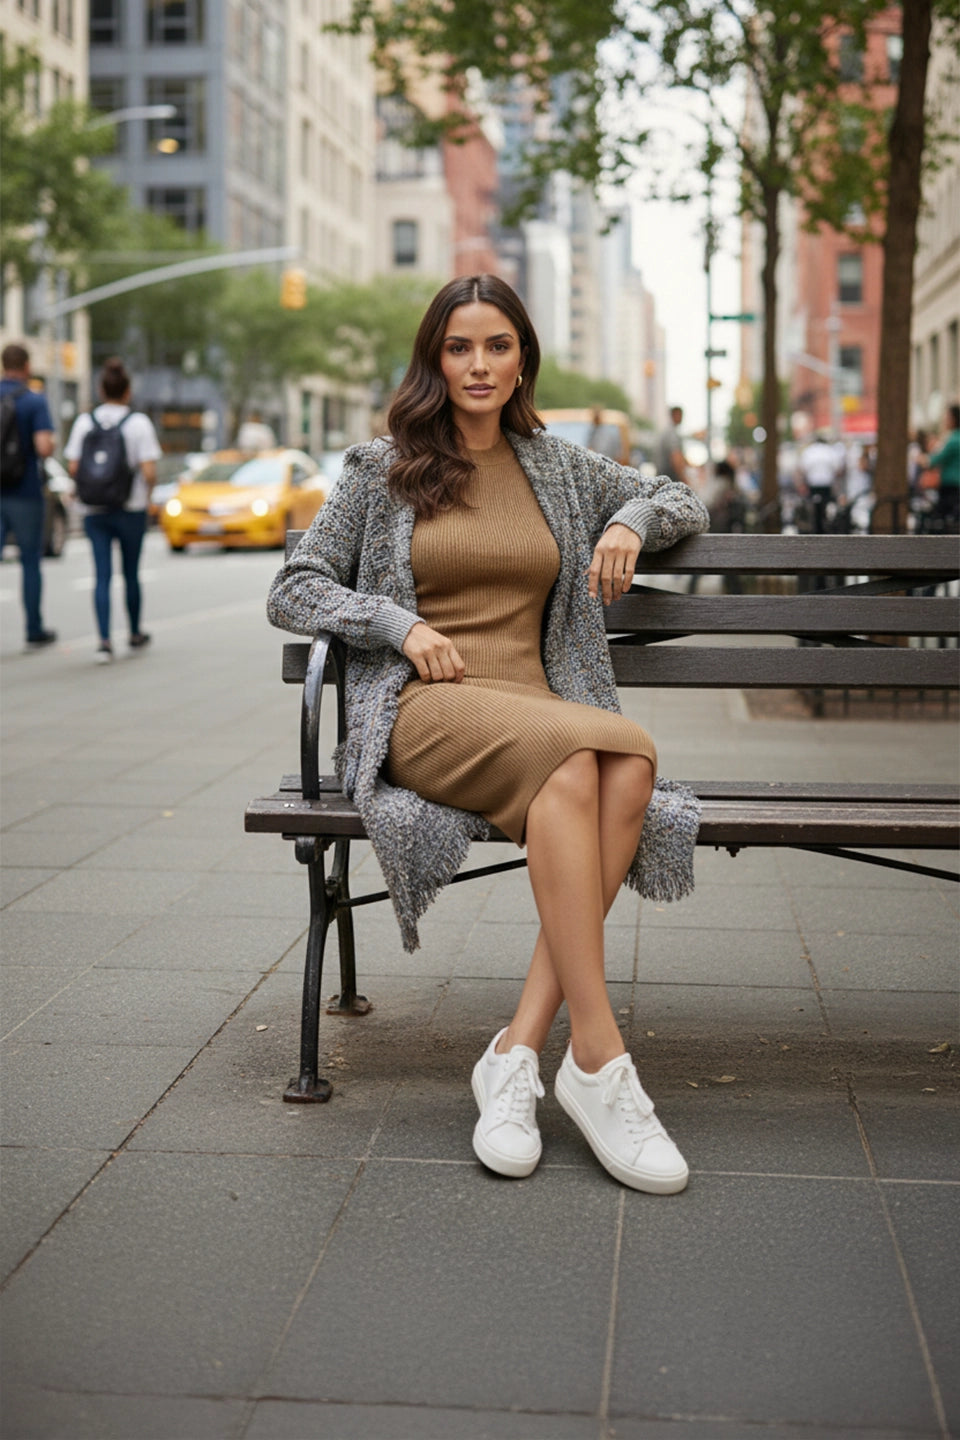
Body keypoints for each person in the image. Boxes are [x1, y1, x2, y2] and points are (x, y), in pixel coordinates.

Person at [267, 275, 710, 1194]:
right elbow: (294, 586)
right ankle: (600, 1061)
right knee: (590, 759)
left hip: (539, 705)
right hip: (427, 706)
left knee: (624, 766)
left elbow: (679, 497)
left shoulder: (559, 466)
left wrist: (629, 519)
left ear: (521, 360)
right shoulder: (381, 467)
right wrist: (397, 624)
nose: (478, 364)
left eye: (497, 346)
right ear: (435, 359)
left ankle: (517, 1054)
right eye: (459, 347)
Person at [64, 358, 162, 662]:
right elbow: (149, 471)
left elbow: (74, 466)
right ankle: (134, 632)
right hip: (130, 507)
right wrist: (148, 496)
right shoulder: (138, 423)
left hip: (94, 510)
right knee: (131, 574)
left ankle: (104, 641)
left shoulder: (84, 422)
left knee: (102, 575)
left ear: (101, 389)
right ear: (128, 391)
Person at [0, 342, 57, 649]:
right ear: (26, 366)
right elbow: (44, 447)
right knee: (30, 561)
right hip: (24, 492)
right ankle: (33, 629)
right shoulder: (34, 401)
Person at [798, 430, 845, 533]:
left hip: (813, 485)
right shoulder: (830, 451)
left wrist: (803, 483)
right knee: (826, 506)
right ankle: (825, 526)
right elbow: (838, 470)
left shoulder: (809, 451)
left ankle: (816, 527)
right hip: (826, 485)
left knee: (814, 507)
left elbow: (802, 469)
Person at [923, 404, 960, 531]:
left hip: (950, 484)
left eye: (947, 417)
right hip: (954, 484)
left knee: (940, 520)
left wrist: (923, 459)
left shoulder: (953, 439)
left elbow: (935, 459)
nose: (945, 420)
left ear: (953, 419)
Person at [655, 405, 686, 482]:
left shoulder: (666, 431)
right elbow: (676, 457)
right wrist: (684, 479)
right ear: (674, 415)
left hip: (662, 475)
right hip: (669, 477)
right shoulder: (672, 434)